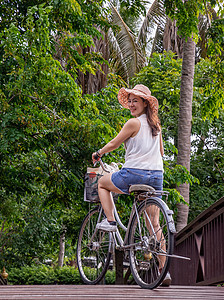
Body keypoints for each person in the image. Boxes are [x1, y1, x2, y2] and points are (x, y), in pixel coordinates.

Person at [91, 84, 171, 286]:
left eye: (136, 100)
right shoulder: (156, 126)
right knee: (154, 224)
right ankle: (164, 271)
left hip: (134, 174)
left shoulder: (133, 123)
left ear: (145, 103)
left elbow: (114, 144)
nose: (131, 104)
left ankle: (110, 222)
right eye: (130, 100)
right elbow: (161, 153)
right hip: (156, 176)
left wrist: (99, 153)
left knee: (102, 183)